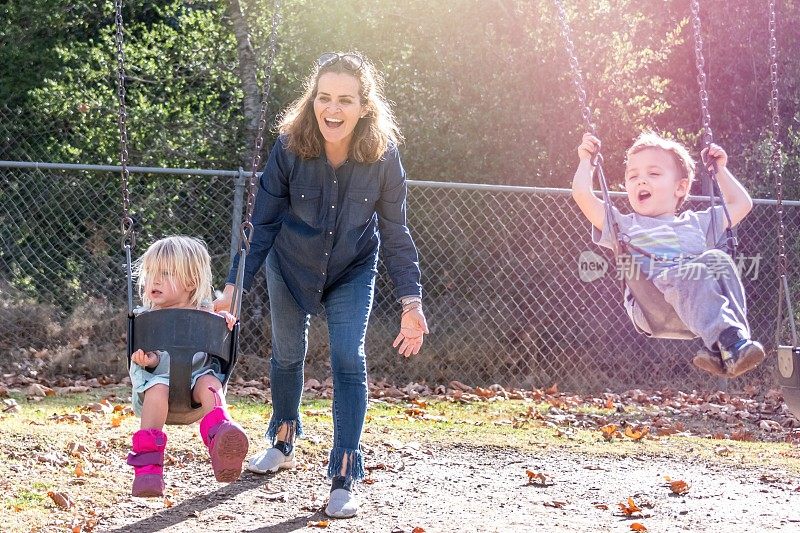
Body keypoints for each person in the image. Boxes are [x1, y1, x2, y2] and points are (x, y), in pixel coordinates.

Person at [213, 52, 428, 518]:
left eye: (345, 100)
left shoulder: (383, 155)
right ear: (313, 101)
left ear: (364, 106)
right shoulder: (290, 147)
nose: (333, 109)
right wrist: (234, 286)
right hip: (288, 265)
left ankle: (345, 475)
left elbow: (395, 232)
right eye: (324, 97)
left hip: (351, 268)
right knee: (287, 354)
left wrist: (411, 301)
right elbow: (263, 224)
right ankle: (283, 439)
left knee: (349, 356)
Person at [572, 131, 765, 378]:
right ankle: (727, 342)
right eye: (633, 176)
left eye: (653, 174)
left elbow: (742, 203)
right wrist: (586, 161)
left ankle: (732, 345)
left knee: (718, 260)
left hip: (696, 303)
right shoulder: (624, 225)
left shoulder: (697, 223)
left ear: (680, 187)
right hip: (652, 304)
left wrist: (720, 171)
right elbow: (582, 195)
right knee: (694, 270)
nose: (641, 181)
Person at [127, 235, 249, 497]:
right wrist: (149, 361)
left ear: (191, 282)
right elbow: (155, 358)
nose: (154, 281)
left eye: (166, 273)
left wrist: (224, 322)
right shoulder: (148, 318)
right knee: (158, 388)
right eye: (151, 273)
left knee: (210, 383)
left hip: (196, 385)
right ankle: (147, 469)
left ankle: (221, 438)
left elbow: (218, 340)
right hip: (159, 385)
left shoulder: (207, 312)